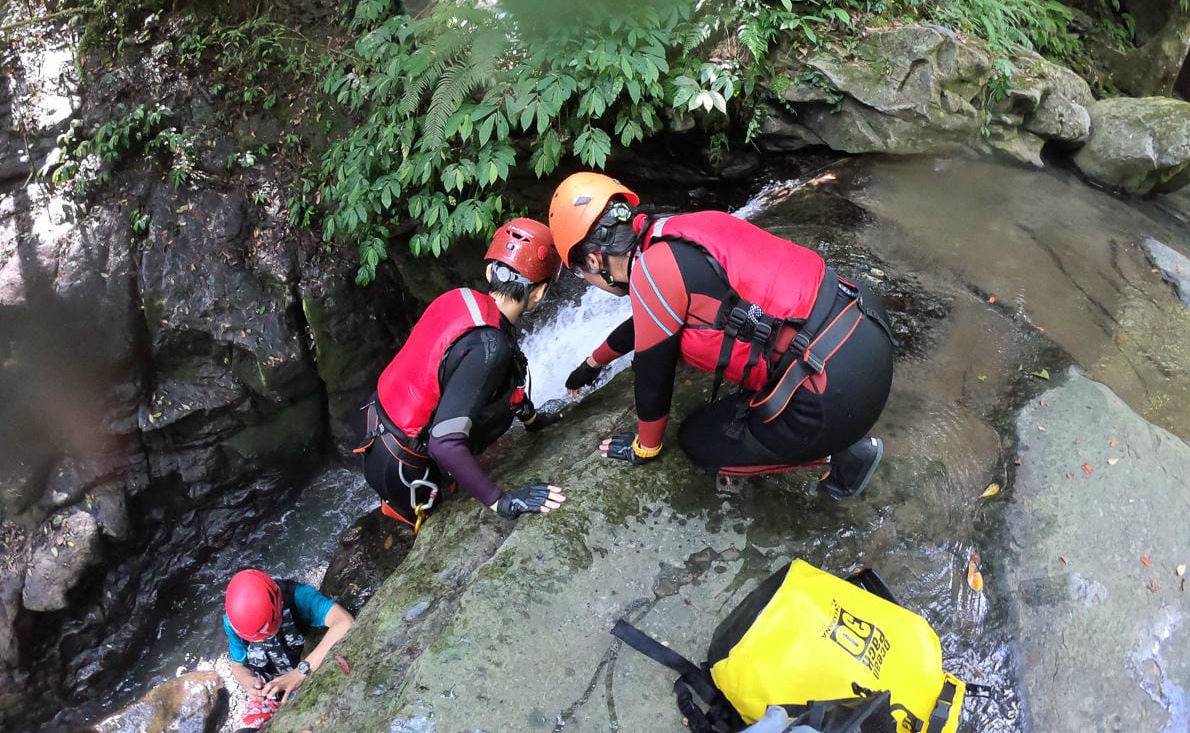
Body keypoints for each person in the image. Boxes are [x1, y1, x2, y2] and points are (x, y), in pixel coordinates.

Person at [547, 172, 896, 498]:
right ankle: (832, 435)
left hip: (835, 389)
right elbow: (650, 321)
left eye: (580, 273)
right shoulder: (681, 228)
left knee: (698, 439)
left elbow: (653, 376)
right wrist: (593, 363)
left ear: (594, 260)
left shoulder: (652, 271)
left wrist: (645, 446)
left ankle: (842, 456)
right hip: (861, 320)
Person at [356, 218, 568, 530]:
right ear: (538, 293)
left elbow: (457, 375)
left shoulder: (460, 299)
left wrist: (532, 420)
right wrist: (502, 501)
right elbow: (444, 442)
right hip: (409, 473)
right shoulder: (489, 346)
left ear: (489, 271)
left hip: (378, 440)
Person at [223, 568, 354, 730]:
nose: (264, 640)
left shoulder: (298, 597)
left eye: (269, 632)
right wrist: (250, 683)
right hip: (269, 693)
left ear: (280, 605)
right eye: (256, 638)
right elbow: (238, 665)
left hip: (308, 675)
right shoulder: (234, 623)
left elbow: (344, 622)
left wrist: (300, 672)